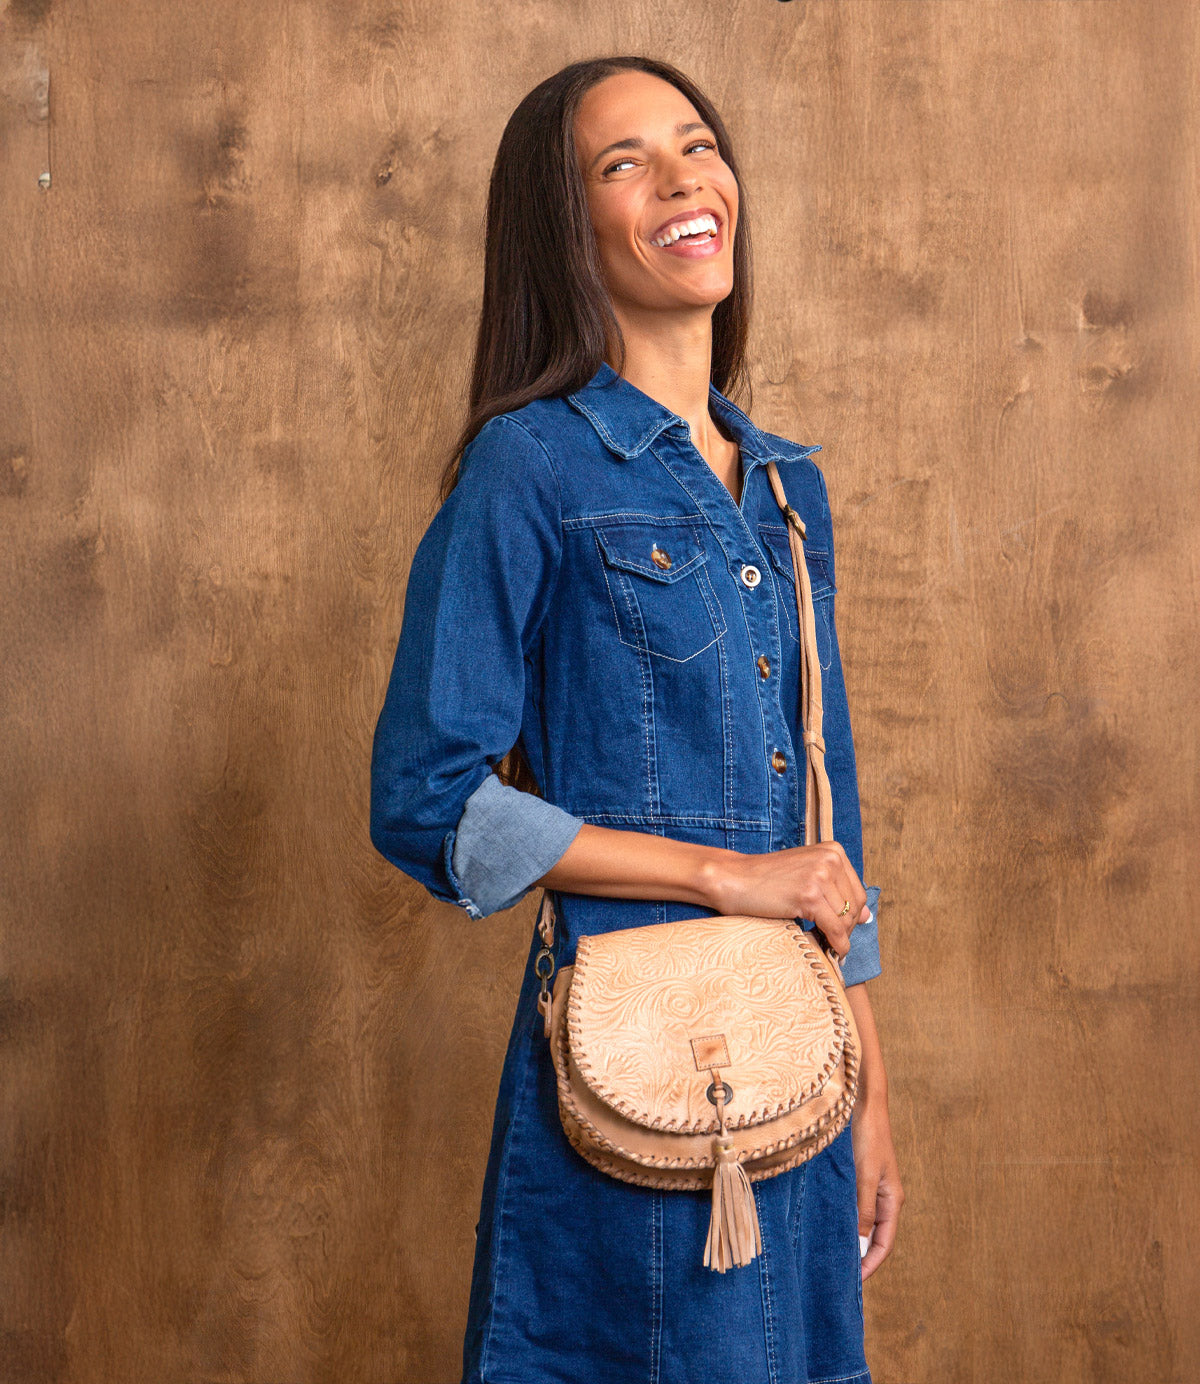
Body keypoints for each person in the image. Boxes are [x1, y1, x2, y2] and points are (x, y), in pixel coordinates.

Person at [370, 55, 904, 1384]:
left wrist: (869, 1084)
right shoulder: (528, 469)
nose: (683, 179)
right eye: (624, 163)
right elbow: (429, 799)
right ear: (568, 227)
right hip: (639, 1077)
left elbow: (820, 818)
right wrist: (720, 877)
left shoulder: (785, 490)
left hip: (798, 1064)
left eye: (697, 145)